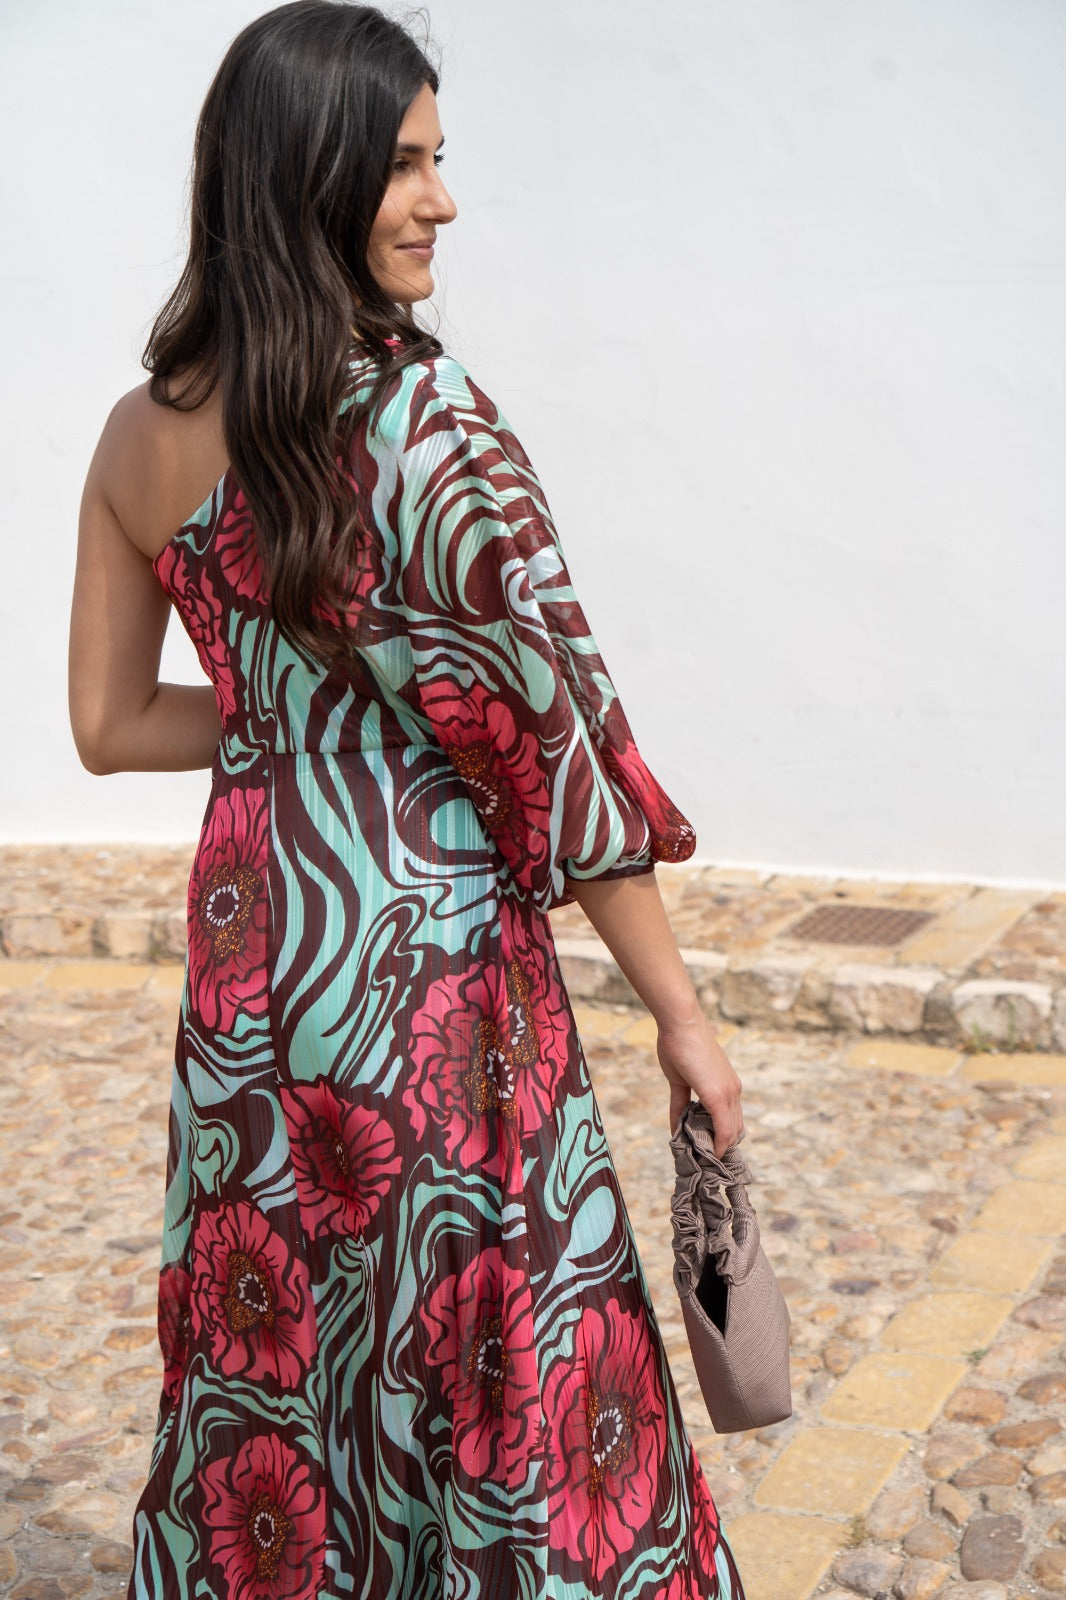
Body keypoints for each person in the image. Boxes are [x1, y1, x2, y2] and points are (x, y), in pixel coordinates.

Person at [68, 4, 747, 1596]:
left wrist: (290, 724)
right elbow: (554, 750)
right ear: (305, 174)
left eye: (438, 161)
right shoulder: (421, 423)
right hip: (428, 981)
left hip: (254, 976)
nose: (442, 200)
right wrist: (682, 1018)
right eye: (405, 165)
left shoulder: (137, 433)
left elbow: (108, 724)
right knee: (502, 1360)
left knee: (285, 1354)